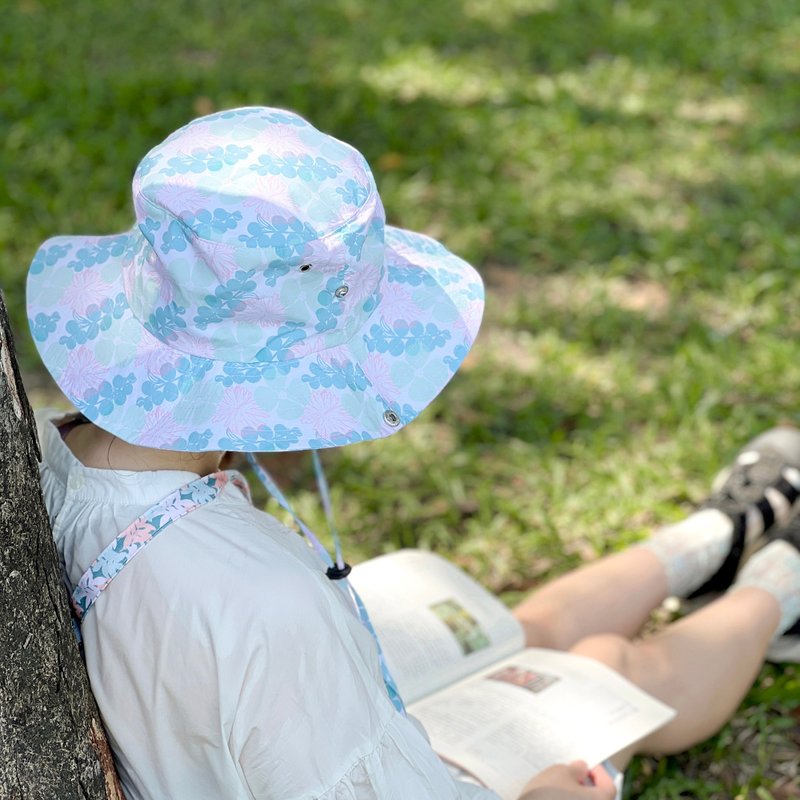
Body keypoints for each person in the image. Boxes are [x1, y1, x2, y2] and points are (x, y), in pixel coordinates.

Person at [27, 106, 800, 800]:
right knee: (601, 668)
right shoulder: (271, 604)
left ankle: (714, 539)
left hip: (251, 716)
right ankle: (779, 574)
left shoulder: (49, 452)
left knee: (514, 631)